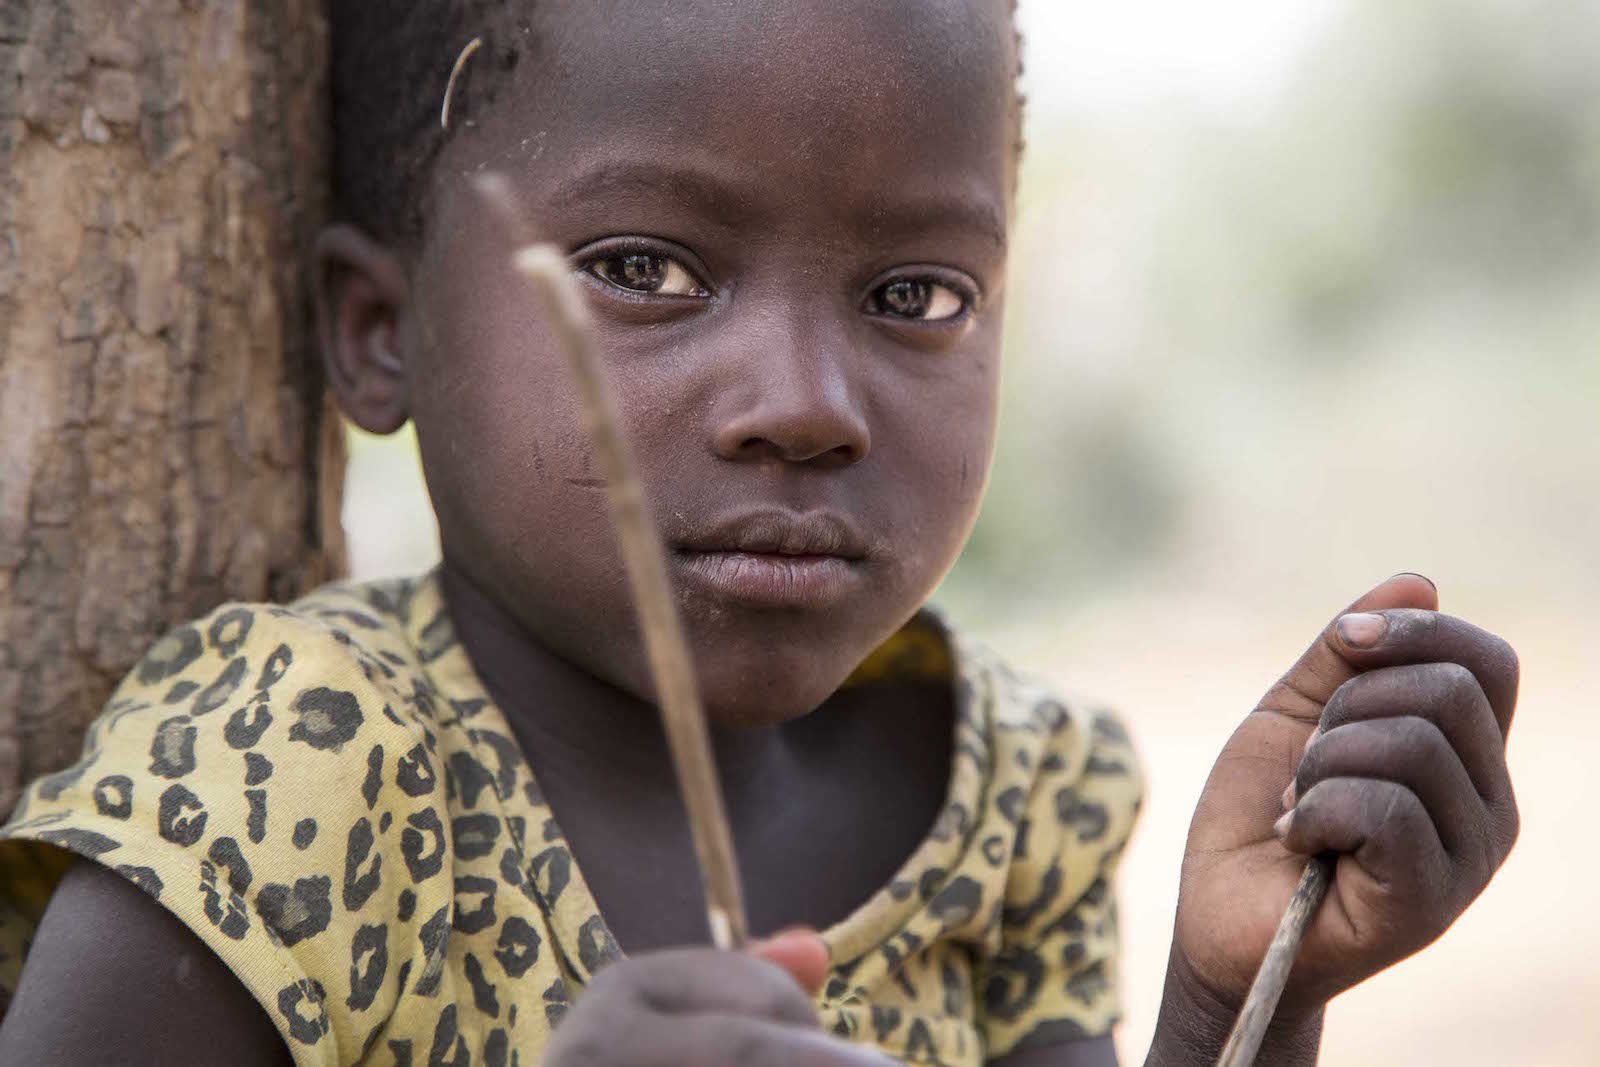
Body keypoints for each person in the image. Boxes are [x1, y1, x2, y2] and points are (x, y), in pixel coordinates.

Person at [0, 2, 1521, 1065]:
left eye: (915, 296)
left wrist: (1239, 1003)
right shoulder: (287, 779)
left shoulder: (1015, 801)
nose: (806, 406)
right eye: (647, 266)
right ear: (380, 331)